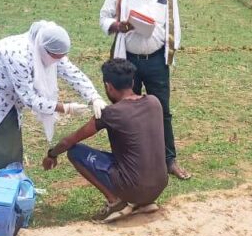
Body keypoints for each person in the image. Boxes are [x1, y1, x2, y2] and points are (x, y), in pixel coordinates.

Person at [0, 21, 107, 188]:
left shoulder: (47, 48)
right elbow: (30, 98)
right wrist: (65, 108)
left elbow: (71, 72)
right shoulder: (17, 55)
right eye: (56, 57)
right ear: (44, 49)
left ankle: (6, 191)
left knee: (9, 150)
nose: (59, 61)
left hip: (7, 102)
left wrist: (94, 97)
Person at [100, 0, 190, 180]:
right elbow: (104, 18)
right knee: (126, 112)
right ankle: (127, 159)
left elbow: (174, 23)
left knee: (162, 110)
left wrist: (171, 52)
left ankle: (169, 159)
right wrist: (117, 26)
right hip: (128, 61)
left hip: (157, 60)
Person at [42, 59, 168, 223]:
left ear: (108, 86)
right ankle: (143, 202)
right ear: (132, 82)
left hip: (135, 187)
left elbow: (69, 142)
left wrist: (52, 154)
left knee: (75, 152)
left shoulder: (112, 113)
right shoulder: (154, 102)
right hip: (159, 184)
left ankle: (115, 202)